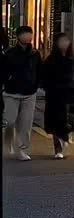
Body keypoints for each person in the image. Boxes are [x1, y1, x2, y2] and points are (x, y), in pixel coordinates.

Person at [1, 25, 42, 161]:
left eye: (29, 34)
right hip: (11, 93)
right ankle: (9, 141)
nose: (27, 36)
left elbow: (39, 71)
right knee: (10, 121)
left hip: (29, 93)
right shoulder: (10, 53)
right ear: (18, 36)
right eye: (24, 34)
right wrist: (6, 82)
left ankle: (21, 150)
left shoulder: (35, 54)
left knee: (25, 123)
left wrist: (36, 85)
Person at [42, 33, 74, 158]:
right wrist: (48, 89)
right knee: (56, 122)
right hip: (54, 96)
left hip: (69, 95)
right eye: (61, 41)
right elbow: (44, 77)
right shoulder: (50, 60)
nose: (64, 43)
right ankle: (58, 149)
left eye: (66, 41)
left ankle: (65, 137)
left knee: (68, 120)